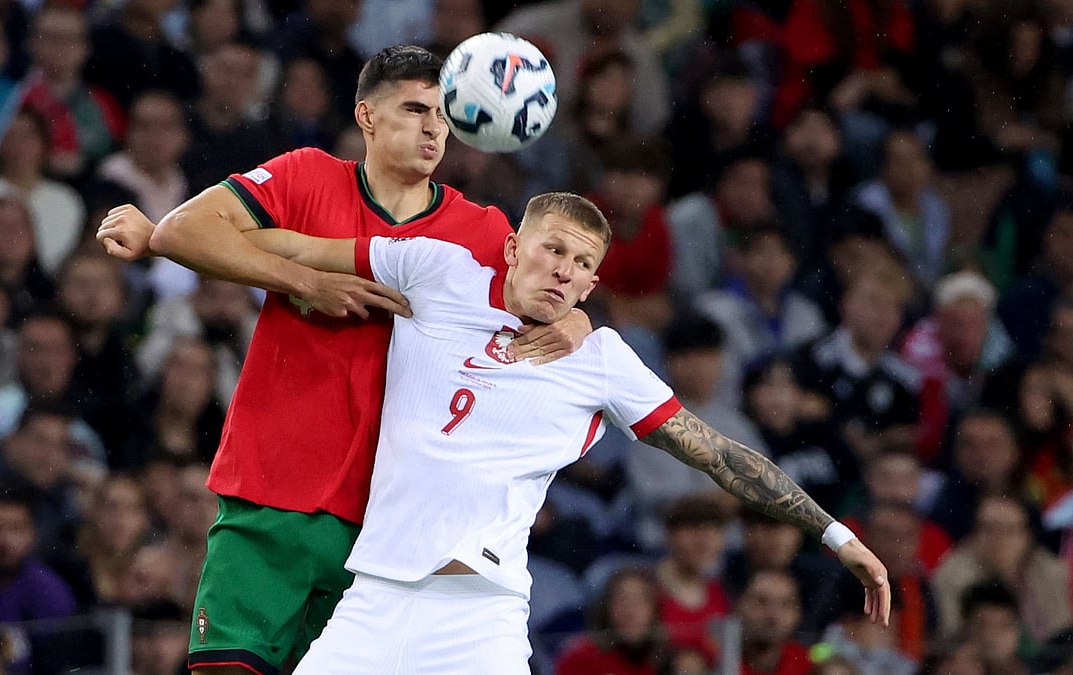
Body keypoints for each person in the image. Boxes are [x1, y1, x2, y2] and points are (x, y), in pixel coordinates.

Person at [226, 191, 890, 674]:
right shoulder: (435, 271)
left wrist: (840, 535)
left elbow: (717, 454)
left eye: (581, 261)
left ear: (593, 283)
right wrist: (195, 235)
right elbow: (292, 243)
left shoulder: (602, 359)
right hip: (373, 592)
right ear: (514, 247)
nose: (564, 268)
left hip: (479, 614)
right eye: (552, 248)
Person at [96, 45, 589, 674]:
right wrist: (302, 280)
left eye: (444, 115)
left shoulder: (485, 231)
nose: (433, 127)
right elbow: (186, 230)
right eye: (414, 109)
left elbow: (558, 283)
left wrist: (575, 319)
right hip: (271, 486)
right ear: (367, 115)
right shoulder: (306, 175)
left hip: (383, 527)